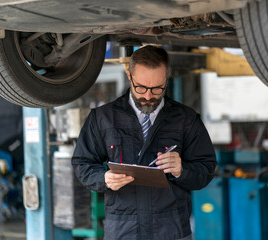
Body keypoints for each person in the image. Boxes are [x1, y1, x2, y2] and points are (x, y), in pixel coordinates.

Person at [71, 45, 217, 240]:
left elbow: (206, 169)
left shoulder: (186, 119)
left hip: (171, 230)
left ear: (166, 80)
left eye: (157, 89)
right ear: (130, 77)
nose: (148, 96)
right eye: (141, 87)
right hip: (123, 231)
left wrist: (181, 170)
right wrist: (104, 178)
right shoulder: (103, 118)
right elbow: (82, 164)